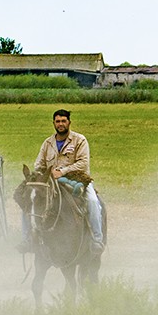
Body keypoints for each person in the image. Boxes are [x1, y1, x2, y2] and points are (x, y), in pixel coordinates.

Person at [27, 108, 104, 253]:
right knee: (31, 200)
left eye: (63, 121)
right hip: (52, 182)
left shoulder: (80, 140)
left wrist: (62, 171)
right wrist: (44, 174)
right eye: (58, 121)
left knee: (93, 201)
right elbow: (39, 164)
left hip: (78, 180)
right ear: (54, 123)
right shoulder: (47, 143)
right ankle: (28, 237)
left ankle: (96, 239)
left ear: (69, 122)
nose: (60, 124)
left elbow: (83, 163)